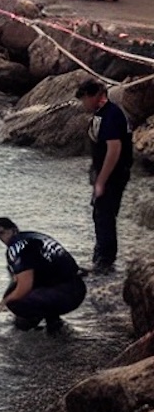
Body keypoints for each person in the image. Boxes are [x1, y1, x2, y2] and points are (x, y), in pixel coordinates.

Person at [0, 218, 86, 333]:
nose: (3, 239)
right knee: (19, 289)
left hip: (66, 295)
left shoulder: (16, 247)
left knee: (13, 301)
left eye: (3, 232)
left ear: (14, 229)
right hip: (78, 288)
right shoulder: (34, 236)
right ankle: (53, 321)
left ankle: (39, 323)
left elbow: (24, 288)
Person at [77, 79, 133, 274]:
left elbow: (114, 149)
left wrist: (101, 181)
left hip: (113, 175)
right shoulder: (104, 113)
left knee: (105, 216)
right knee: (99, 214)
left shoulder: (111, 115)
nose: (83, 103)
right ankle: (100, 257)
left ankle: (105, 262)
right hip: (107, 173)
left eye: (84, 98)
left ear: (93, 96)